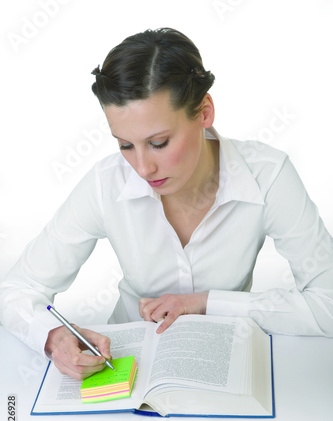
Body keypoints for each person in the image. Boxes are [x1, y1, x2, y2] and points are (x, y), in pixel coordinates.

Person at [1, 27, 333, 380]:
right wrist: (53, 337)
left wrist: (207, 303)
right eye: (125, 145)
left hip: (223, 366)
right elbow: (17, 290)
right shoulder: (106, 184)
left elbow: (328, 302)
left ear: (204, 112)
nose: (142, 168)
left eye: (158, 142)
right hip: (122, 372)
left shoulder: (269, 175)